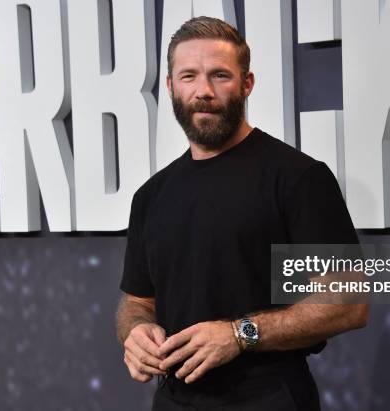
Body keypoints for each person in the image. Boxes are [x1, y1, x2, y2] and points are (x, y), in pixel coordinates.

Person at [116, 16, 368, 411]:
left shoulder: (298, 178)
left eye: (220, 75)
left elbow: (350, 302)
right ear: (170, 87)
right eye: (188, 77)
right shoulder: (151, 196)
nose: (203, 91)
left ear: (246, 84)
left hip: (268, 398)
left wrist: (240, 334)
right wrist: (135, 331)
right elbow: (137, 302)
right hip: (173, 399)